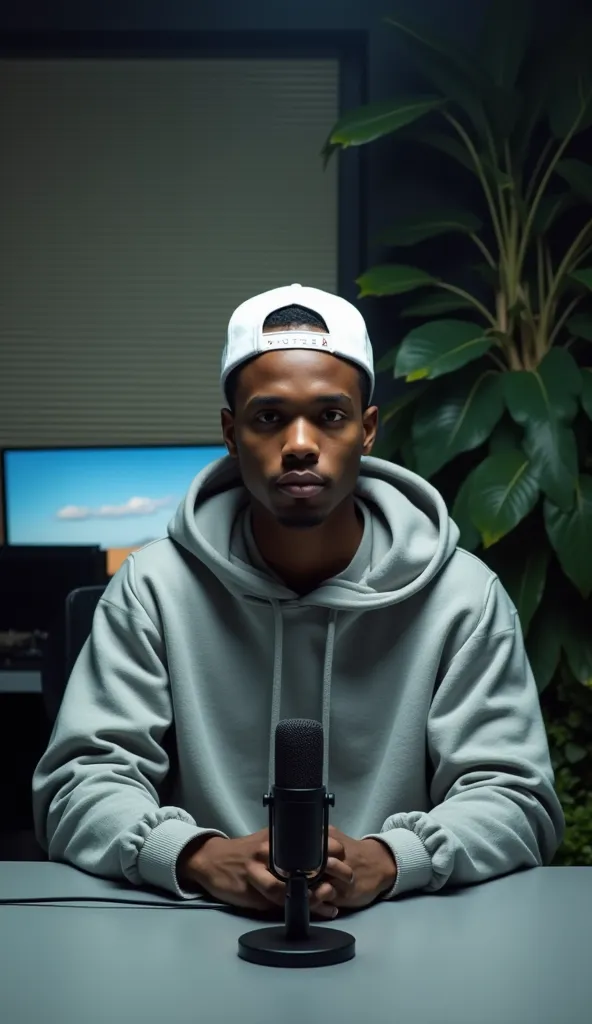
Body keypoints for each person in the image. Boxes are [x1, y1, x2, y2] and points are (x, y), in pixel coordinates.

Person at [33, 283, 564, 919]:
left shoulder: (464, 596)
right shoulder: (152, 589)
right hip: (197, 927)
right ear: (231, 433)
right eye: (269, 417)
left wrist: (391, 859)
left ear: (367, 430)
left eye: (331, 416)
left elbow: (517, 800)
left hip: (409, 934)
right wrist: (196, 856)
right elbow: (78, 786)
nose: (301, 443)